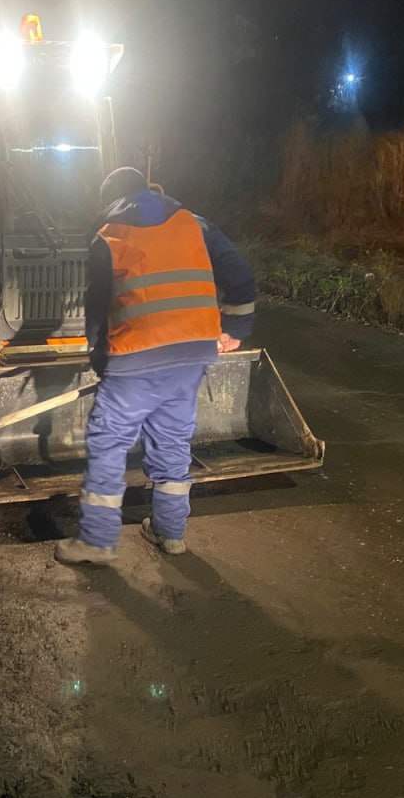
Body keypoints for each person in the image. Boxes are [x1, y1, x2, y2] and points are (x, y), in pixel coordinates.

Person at [55, 167, 256, 565]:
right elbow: (241, 276)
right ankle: (171, 533)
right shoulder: (194, 224)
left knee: (109, 441)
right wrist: (234, 329)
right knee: (172, 440)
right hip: (192, 354)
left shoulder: (108, 236)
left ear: (110, 199)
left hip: (137, 355)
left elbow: (97, 311)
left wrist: (100, 360)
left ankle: (96, 540)